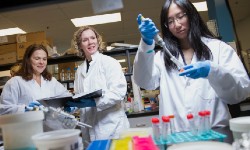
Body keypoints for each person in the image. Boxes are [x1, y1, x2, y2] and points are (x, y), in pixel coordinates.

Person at [133, 0, 250, 132]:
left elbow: (240, 93)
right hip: (177, 136)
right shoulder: (162, 57)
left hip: (215, 133)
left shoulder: (219, 49)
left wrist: (213, 71)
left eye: (180, 16)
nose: (176, 25)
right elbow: (144, 81)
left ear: (191, 15)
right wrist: (146, 42)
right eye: (170, 21)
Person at [72, 26, 129, 145]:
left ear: (98, 41)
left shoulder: (109, 62)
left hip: (112, 128)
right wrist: (73, 105)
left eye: (93, 38)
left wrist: (94, 102)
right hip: (89, 129)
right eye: (85, 40)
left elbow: (118, 92)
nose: (90, 42)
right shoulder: (79, 71)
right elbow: (79, 96)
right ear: (80, 45)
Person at [0, 44, 71, 115]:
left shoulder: (51, 81)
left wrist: (71, 103)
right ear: (28, 60)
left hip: (51, 125)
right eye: (37, 58)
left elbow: (66, 96)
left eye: (44, 59)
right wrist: (25, 109)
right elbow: (4, 109)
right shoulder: (15, 82)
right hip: (28, 124)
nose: (41, 62)